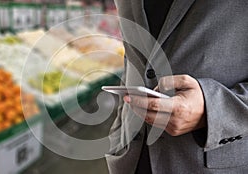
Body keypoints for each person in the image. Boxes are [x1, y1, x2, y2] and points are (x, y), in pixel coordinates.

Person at [106, 0, 248, 173]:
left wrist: (214, 109)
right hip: (131, 158)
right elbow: (135, 57)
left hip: (212, 161)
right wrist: (118, 132)